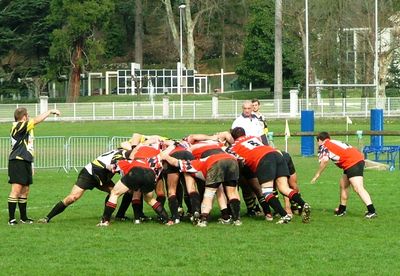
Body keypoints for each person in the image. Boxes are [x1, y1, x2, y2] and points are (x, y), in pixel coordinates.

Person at [229, 127, 311, 224]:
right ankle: (303, 204)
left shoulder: (233, 147)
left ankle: (284, 216)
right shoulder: (252, 137)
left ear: (233, 137)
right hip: (276, 154)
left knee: (267, 192)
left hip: (264, 160)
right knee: (284, 188)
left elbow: (233, 160)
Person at [38, 148, 131, 223]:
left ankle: (108, 217)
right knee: (73, 197)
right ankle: (47, 218)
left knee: (114, 193)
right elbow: (112, 165)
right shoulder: (120, 156)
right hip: (90, 173)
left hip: (103, 176)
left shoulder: (124, 151)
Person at [7, 107, 60, 225]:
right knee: (16, 190)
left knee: (25, 190)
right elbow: (36, 120)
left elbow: (28, 147)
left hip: (25, 161)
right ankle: (11, 219)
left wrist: (31, 164)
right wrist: (50, 111)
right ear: (24, 117)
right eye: (28, 115)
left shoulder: (26, 129)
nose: (29, 117)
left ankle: (23, 218)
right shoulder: (18, 125)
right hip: (17, 161)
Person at [311, 131, 377, 219]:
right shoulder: (333, 142)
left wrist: (317, 174)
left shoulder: (324, 146)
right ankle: (342, 210)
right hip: (354, 161)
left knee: (358, 188)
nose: (317, 143)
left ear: (319, 140)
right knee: (343, 185)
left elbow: (325, 160)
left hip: (352, 163)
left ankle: (371, 211)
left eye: (317, 141)